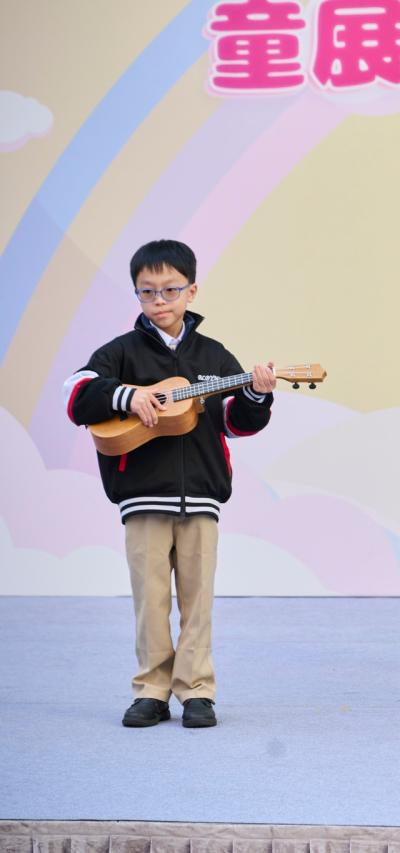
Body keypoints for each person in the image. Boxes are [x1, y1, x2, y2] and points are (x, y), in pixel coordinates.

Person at [64, 239, 275, 727]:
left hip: (201, 493)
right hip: (141, 496)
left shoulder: (215, 355)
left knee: (198, 600)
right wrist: (125, 397)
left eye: (170, 290)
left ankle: (197, 690)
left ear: (191, 291)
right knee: (150, 600)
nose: (159, 300)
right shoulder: (120, 352)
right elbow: (76, 393)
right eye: (148, 291)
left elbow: (234, 422)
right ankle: (151, 691)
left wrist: (256, 395)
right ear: (137, 293)